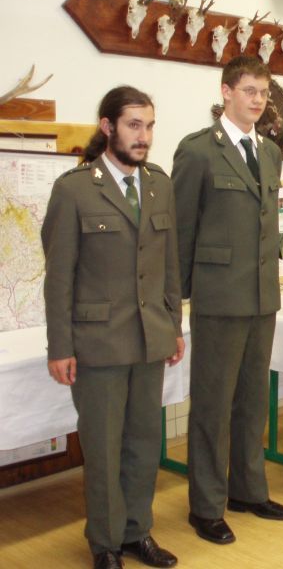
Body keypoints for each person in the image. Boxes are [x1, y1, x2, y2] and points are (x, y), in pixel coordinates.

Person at [42, 86, 183, 569]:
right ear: (107, 127)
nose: (144, 136)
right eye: (133, 125)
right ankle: (104, 543)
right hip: (98, 343)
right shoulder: (75, 189)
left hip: (149, 338)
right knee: (103, 449)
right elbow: (59, 276)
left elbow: (168, 264)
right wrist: (59, 346)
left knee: (143, 444)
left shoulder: (159, 184)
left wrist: (173, 325)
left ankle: (136, 532)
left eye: (149, 126)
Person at [172, 56, 283, 546]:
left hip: (262, 297)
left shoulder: (269, 151)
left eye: (263, 92)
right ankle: (206, 506)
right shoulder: (198, 150)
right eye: (249, 91)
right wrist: (175, 302)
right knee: (212, 407)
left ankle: (248, 490)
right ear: (226, 92)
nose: (258, 100)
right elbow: (181, 231)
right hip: (219, 299)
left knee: (252, 403)